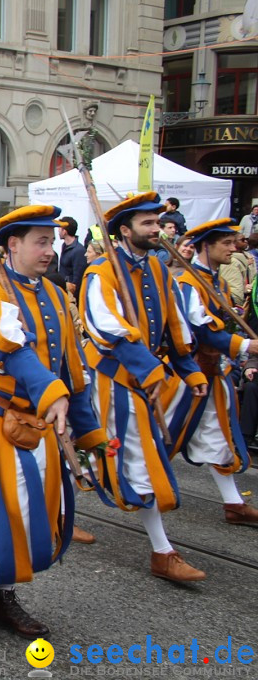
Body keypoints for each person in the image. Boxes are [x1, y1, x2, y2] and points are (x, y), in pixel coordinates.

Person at [0, 205, 105, 645]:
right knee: (10, 509)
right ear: (12, 245)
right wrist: (49, 388)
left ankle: (1, 592)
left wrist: (87, 427)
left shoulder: (56, 295)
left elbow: (71, 367)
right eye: (40, 241)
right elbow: (6, 348)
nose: (49, 250)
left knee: (31, 512)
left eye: (52, 241)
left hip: (39, 423)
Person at [80, 192, 209, 582]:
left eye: (158, 223)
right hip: (115, 377)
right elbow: (107, 330)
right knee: (140, 459)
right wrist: (148, 369)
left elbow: (175, 324)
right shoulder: (100, 272)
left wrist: (189, 369)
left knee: (103, 451)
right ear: (124, 230)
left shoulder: (159, 268)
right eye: (148, 224)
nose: (158, 229)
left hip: (148, 375)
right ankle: (162, 552)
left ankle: (62, 505)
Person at [171, 219, 258, 526]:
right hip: (184, 377)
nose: (233, 248)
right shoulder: (188, 284)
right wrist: (247, 345)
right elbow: (203, 332)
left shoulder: (217, 282)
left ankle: (233, 503)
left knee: (217, 434)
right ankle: (88, 479)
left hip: (211, 374)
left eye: (234, 243)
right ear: (206, 245)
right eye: (226, 243)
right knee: (158, 438)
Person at [56, 216, 87, 294]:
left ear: (64, 231)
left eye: (60, 229)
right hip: (63, 290)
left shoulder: (79, 251)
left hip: (71, 294)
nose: (58, 231)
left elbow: (78, 278)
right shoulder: (65, 246)